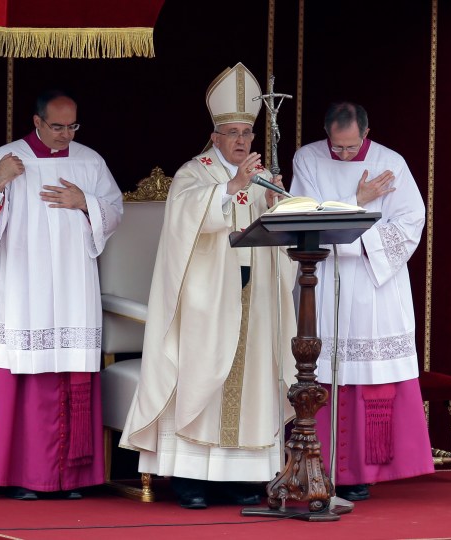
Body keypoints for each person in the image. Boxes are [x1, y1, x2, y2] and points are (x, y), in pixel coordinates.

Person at [119, 63, 297, 509]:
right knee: (202, 380)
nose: (241, 141)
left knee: (250, 382)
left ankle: (241, 477)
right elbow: (184, 225)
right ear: (215, 137)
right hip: (204, 304)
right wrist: (231, 189)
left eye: (246, 133)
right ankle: (191, 478)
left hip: (253, 300)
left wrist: (275, 202)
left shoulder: (259, 176)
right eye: (232, 133)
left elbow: (276, 238)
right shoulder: (193, 173)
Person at [0, 89, 124, 500]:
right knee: (26, 372)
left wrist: (84, 201)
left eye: (72, 126)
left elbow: (115, 210)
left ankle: (71, 479)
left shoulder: (89, 161)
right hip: (23, 286)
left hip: (72, 286)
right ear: (37, 122)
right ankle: (20, 476)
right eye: (57, 126)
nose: (66, 134)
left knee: (69, 369)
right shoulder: (8, 158)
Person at [289, 102, 434, 501]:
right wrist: (360, 199)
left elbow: (410, 223)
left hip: (373, 287)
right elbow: (303, 216)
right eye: (338, 147)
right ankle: (312, 464)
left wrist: (356, 245)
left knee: (366, 376)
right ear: (326, 134)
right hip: (318, 280)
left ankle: (360, 473)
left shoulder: (392, 163)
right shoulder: (309, 158)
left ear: (365, 134)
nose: (345, 154)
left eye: (352, 148)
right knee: (318, 373)